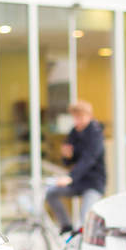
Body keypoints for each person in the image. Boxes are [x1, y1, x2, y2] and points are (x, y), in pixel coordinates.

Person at [46, 100, 106, 234]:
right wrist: (67, 156)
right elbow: (69, 161)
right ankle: (66, 227)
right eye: (75, 117)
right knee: (51, 193)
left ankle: (82, 247)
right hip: (78, 182)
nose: (77, 121)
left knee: (84, 218)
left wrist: (70, 177)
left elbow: (88, 159)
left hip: (93, 183)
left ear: (89, 116)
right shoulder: (74, 132)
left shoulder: (96, 134)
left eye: (80, 117)